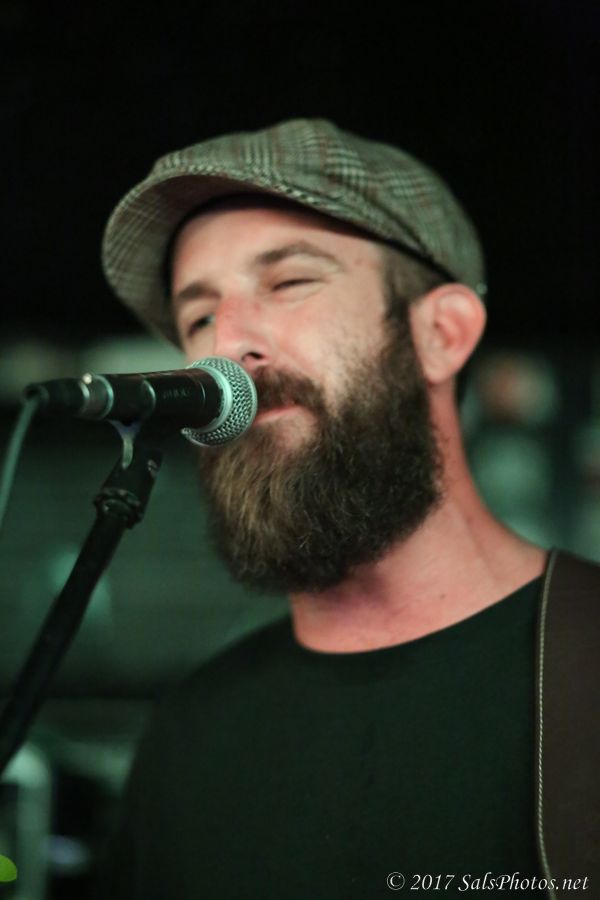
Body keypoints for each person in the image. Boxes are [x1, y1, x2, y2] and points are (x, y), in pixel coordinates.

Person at [99, 119, 584, 898]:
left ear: (442, 333)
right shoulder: (189, 735)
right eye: (198, 318)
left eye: (289, 281)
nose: (229, 346)